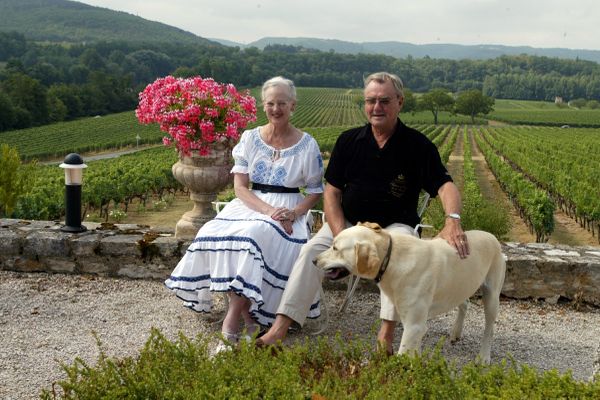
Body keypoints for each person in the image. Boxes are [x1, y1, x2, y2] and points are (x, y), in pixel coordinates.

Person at [257, 72, 470, 354]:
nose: (376, 107)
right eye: (371, 101)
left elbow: (445, 186)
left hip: (395, 228)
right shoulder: (349, 141)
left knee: (396, 261)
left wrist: (452, 220)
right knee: (310, 252)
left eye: (384, 100)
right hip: (346, 224)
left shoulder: (418, 146)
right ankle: (279, 329)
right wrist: (340, 234)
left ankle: (386, 335)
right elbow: (332, 192)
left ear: (400, 102)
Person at [165, 76, 324, 346]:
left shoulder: (307, 144)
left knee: (253, 235)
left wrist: (294, 213)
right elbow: (240, 187)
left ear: (293, 105)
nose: (276, 109)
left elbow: (316, 191)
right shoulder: (250, 138)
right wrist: (269, 210)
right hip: (251, 203)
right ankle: (248, 316)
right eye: (271, 103)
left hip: (290, 210)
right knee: (211, 230)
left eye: (282, 103)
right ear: (264, 106)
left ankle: (233, 317)